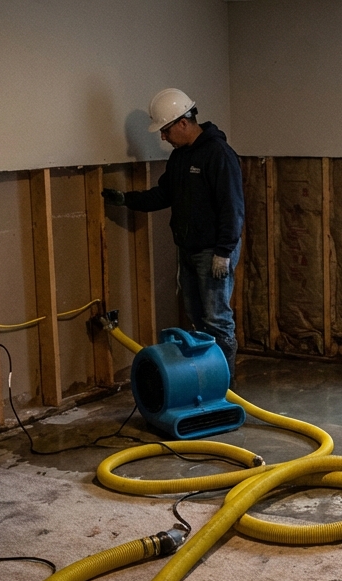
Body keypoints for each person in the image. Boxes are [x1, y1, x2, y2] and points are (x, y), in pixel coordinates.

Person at [103, 88, 244, 378]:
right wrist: (127, 199)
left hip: (214, 252)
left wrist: (224, 252)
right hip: (188, 249)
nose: (163, 137)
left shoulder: (218, 154)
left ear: (183, 122)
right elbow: (164, 194)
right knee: (197, 318)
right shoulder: (180, 158)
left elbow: (233, 206)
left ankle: (226, 385)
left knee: (217, 320)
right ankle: (207, 379)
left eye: (165, 130)